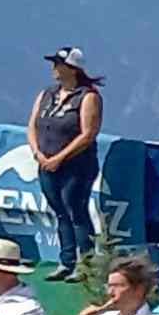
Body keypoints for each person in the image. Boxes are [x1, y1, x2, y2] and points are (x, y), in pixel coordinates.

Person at [26, 48, 108, 259]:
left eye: (58, 64)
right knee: (60, 213)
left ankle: (87, 261)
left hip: (77, 166)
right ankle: (67, 259)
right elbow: (32, 125)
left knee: (76, 211)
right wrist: (37, 153)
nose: (54, 68)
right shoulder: (46, 94)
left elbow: (88, 134)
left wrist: (59, 158)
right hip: (46, 163)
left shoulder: (88, 97)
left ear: (72, 69)